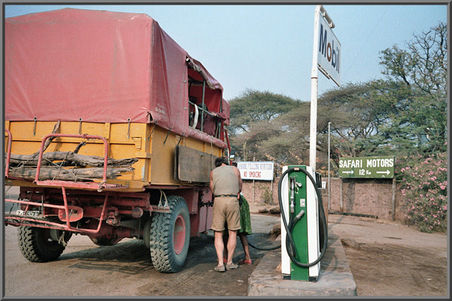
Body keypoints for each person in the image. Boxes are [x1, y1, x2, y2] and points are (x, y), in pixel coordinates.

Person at [209, 157, 242, 272]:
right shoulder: (235, 170)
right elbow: (240, 186)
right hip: (233, 200)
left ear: (217, 164)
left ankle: (220, 264)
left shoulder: (213, 172)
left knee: (218, 234)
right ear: (226, 163)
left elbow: (212, 189)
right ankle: (230, 262)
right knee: (232, 233)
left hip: (219, 200)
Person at [223, 162, 252, 265]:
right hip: (241, 203)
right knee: (242, 233)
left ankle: (226, 258)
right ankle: (247, 257)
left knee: (227, 232)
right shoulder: (237, 174)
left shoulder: (229, 175)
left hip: (235, 202)